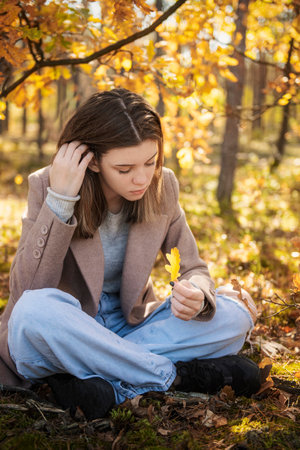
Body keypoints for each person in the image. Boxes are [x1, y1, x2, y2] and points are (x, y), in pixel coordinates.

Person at [0, 88, 261, 420]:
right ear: (91, 161)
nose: (141, 178)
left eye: (150, 162)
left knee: (235, 313)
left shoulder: (161, 185)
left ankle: (104, 384)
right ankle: (174, 376)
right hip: (69, 330)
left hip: (133, 325)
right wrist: (61, 200)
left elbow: (193, 265)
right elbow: (28, 291)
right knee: (35, 312)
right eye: (124, 169)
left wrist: (197, 292)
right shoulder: (47, 186)